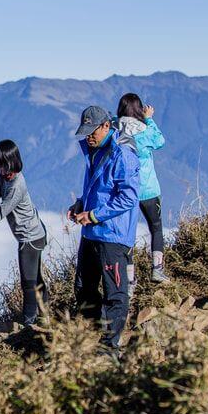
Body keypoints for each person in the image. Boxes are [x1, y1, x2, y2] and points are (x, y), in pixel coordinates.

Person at [68, 106, 140, 352]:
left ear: (106, 126)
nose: (88, 136)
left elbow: (129, 197)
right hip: (90, 233)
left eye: (92, 131)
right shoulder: (93, 151)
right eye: (85, 132)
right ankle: (96, 334)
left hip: (112, 234)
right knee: (83, 288)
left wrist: (95, 215)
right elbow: (97, 189)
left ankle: (110, 346)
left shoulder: (123, 154)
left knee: (114, 292)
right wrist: (80, 204)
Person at [0, 139, 49, 325]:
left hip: (30, 238)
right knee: (36, 279)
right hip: (33, 233)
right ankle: (44, 316)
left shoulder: (17, 184)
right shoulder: (5, 177)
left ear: (6, 161)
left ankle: (28, 323)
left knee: (28, 282)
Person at [116, 93, 169, 283]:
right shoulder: (145, 130)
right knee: (156, 227)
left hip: (124, 190)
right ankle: (157, 269)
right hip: (148, 188)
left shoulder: (114, 129)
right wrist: (149, 118)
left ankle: (129, 280)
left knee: (127, 233)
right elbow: (160, 141)